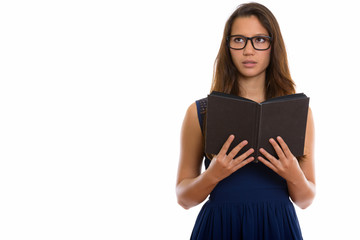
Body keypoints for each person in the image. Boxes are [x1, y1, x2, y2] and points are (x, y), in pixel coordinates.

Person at [176, 2, 315, 240]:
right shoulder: (200, 111)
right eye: (239, 40)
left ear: (273, 46)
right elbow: (184, 198)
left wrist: (293, 173)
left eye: (259, 40)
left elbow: (305, 199)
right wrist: (214, 174)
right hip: (220, 227)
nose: (248, 50)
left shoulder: (298, 112)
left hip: (277, 226)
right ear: (227, 45)